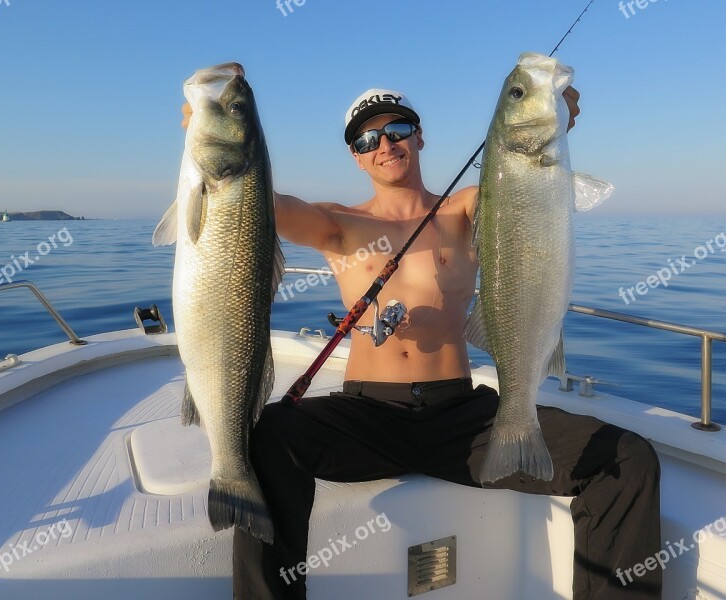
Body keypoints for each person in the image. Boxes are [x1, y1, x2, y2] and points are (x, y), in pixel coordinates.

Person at [182, 85, 661, 599]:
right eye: (367, 139)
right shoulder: (337, 223)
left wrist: (551, 120)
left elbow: (524, 186)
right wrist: (207, 133)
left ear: (420, 137)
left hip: (463, 419)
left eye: (398, 130)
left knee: (627, 459)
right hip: (366, 415)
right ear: (356, 156)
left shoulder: (466, 211)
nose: (384, 144)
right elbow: (245, 199)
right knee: (266, 435)